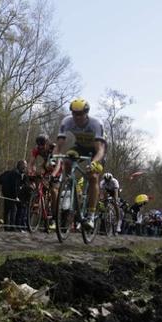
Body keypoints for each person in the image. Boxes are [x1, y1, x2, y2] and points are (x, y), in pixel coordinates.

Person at [56, 98, 107, 230]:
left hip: (97, 150)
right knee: (67, 160)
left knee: (93, 176)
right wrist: (54, 158)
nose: (77, 117)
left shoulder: (95, 123)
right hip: (80, 146)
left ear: (86, 113)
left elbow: (100, 149)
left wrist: (94, 163)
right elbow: (59, 144)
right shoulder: (67, 121)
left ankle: (90, 214)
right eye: (74, 113)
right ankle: (69, 185)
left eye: (80, 114)